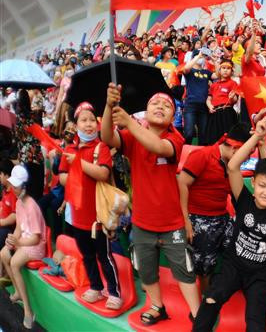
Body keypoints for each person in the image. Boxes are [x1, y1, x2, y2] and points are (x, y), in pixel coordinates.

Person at [102, 87, 199, 325]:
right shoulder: (132, 136)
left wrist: (130, 123)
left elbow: (159, 147)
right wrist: (108, 106)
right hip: (142, 222)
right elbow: (107, 137)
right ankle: (157, 306)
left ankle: (198, 315)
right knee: (146, 269)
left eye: (167, 106)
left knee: (184, 271)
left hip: (172, 223)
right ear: (146, 111)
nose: (160, 107)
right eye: (155, 103)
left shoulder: (175, 137)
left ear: (174, 116)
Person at [193, 118, 266, 332]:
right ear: (253, 183)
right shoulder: (244, 199)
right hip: (233, 267)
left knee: (256, 320)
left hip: (261, 275)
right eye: (262, 185)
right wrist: (257, 136)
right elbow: (232, 166)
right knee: (211, 299)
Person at [59, 102, 122, 309]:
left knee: (104, 256)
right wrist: (74, 172)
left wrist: (77, 163)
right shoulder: (70, 149)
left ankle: (114, 292)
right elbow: (62, 178)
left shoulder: (101, 147)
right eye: (83, 120)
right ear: (75, 125)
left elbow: (103, 173)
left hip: (98, 217)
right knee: (87, 256)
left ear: (98, 123)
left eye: (92, 120)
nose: (88, 125)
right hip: (77, 216)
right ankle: (96, 287)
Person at [177, 124, 250, 291]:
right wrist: (186, 221)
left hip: (222, 216)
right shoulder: (202, 155)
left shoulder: (232, 166)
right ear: (235, 149)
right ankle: (206, 294)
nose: (245, 159)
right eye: (245, 155)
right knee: (205, 263)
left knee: (242, 245)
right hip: (198, 217)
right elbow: (182, 183)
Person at [0, 165, 46, 329]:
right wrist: (12, 240)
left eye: (16, 185)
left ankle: (28, 310)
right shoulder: (19, 202)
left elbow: (36, 238)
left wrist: (18, 243)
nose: (13, 188)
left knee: (14, 262)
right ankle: (18, 292)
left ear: (24, 186)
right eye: (13, 185)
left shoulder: (31, 205)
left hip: (36, 246)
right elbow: (19, 228)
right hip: (25, 241)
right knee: (3, 253)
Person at [181, 51, 214, 144]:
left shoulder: (206, 72)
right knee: (189, 133)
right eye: (199, 55)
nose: (201, 57)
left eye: (203, 56)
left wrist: (214, 60)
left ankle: (200, 152)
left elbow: (218, 75)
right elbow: (185, 68)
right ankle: (185, 150)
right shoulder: (190, 71)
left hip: (204, 106)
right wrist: (198, 56)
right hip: (190, 105)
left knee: (203, 135)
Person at [204, 59, 239, 143]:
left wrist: (232, 97)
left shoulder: (233, 83)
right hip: (215, 113)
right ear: (219, 70)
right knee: (213, 139)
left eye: (228, 68)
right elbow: (208, 99)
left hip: (227, 112)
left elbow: (235, 100)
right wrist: (210, 106)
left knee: (227, 138)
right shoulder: (214, 85)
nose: (225, 70)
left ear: (232, 71)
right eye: (223, 68)